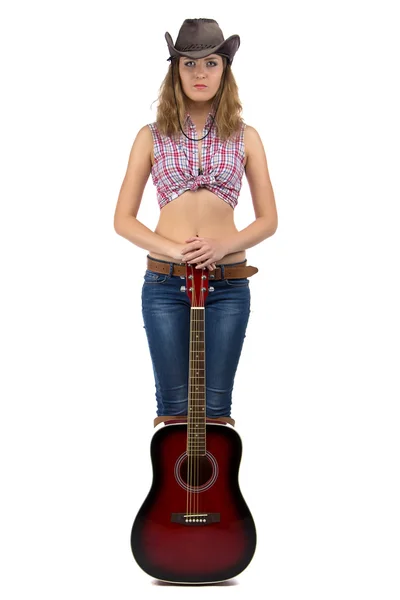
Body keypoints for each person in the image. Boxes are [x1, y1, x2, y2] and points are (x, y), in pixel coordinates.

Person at [114, 18, 278, 422]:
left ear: (225, 70)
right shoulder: (149, 136)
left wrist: (222, 246)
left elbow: (268, 219)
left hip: (227, 285)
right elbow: (123, 219)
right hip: (166, 284)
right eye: (189, 64)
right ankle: (172, 488)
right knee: (174, 414)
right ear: (175, 71)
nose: (200, 73)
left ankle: (216, 488)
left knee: (215, 414)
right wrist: (176, 250)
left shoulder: (246, 136)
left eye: (210, 63)